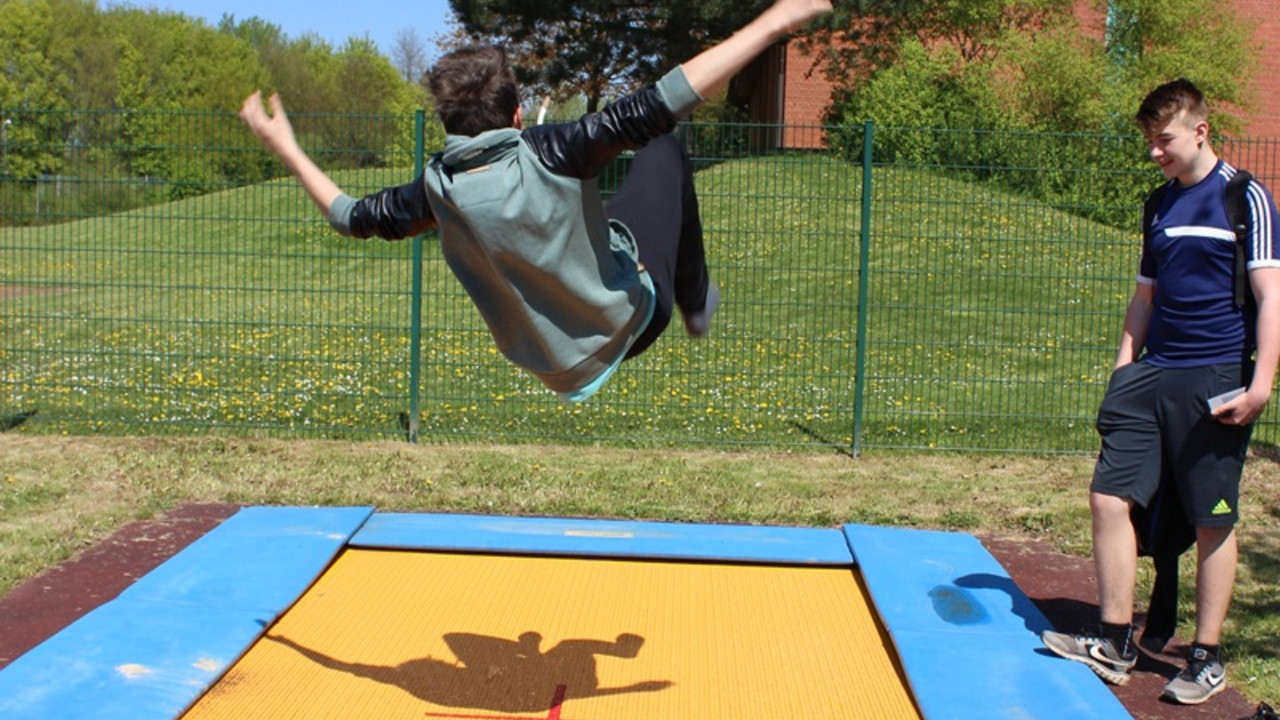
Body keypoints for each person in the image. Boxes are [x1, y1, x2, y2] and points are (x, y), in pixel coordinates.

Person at [240, 0, 833, 402]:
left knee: (615, 217)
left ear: (448, 124)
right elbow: (662, 101)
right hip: (629, 326)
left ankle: (663, 281)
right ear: (518, 116)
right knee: (665, 151)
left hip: (550, 368)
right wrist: (774, 22)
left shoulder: (436, 189)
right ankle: (697, 301)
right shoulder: (552, 149)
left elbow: (349, 217)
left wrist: (284, 144)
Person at [1041, 79, 1280, 705]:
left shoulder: (1244, 199)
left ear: (1200, 130)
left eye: (1164, 140)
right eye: (1149, 141)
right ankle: (1116, 640)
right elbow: (1144, 295)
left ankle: (1206, 657)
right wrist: (1125, 366)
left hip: (1217, 375)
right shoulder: (1157, 205)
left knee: (1211, 519)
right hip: (1151, 373)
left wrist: (1261, 384)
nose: (1155, 152)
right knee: (1106, 497)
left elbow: (1270, 298)